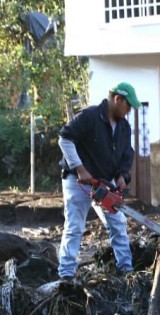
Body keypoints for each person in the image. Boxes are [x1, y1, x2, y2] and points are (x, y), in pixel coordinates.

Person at [56, 82, 141, 281]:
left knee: (118, 223)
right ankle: (66, 273)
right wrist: (80, 169)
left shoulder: (124, 127)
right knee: (75, 226)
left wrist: (121, 176)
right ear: (117, 99)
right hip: (78, 182)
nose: (129, 111)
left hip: (105, 182)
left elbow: (126, 155)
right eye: (128, 106)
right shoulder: (90, 116)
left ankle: (126, 270)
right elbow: (65, 139)